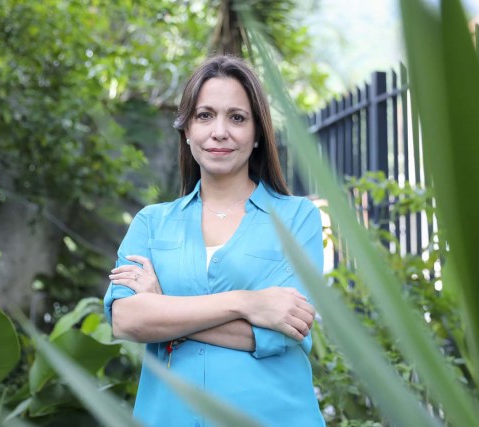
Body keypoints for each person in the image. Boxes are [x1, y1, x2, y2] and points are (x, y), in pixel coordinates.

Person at [104, 55, 324, 426]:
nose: (219, 131)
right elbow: (127, 319)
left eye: (237, 118)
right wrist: (246, 302)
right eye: (205, 115)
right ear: (187, 129)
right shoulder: (152, 223)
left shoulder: (297, 219)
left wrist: (163, 308)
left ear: (257, 134)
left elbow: (287, 330)